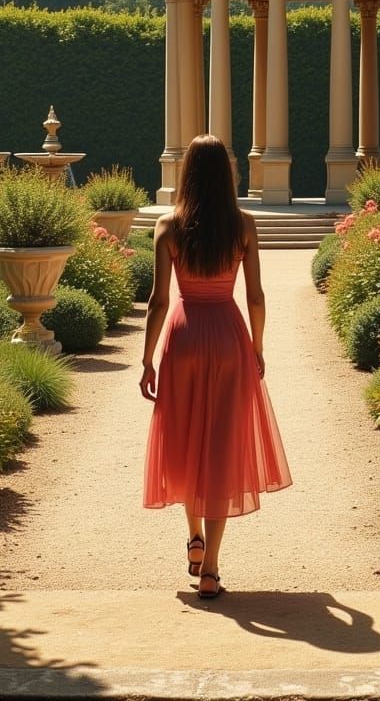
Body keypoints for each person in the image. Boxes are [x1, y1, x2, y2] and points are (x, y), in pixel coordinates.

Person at [140, 135, 292, 599]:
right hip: (228, 336)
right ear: (228, 176)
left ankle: (194, 540)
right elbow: (257, 296)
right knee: (222, 447)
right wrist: (258, 347)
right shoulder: (243, 225)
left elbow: (159, 301)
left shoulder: (168, 226)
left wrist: (146, 359)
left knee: (184, 438)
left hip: (184, 338)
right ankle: (211, 569)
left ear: (186, 173)